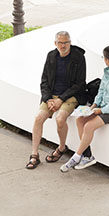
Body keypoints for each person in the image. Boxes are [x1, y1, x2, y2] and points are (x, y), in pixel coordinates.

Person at [60, 45, 109, 172]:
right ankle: (87, 156)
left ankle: (76, 156)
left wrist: (101, 110)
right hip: (103, 106)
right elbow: (101, 91)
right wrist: (94, 105)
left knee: (89, 126)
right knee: (80, 120)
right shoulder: (108, 72)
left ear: (106, 59)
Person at [26, 31, 87, 169]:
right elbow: (44, 81)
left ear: (70, 43)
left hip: (70, 95)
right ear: (55, 43)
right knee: (38, 118)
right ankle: (34, 155)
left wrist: (61, 99)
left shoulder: (78, 57)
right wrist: (48, 99)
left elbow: (80, 84)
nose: (63, 45)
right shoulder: (51, 56)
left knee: (60, 118)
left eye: (66, 42)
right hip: (52, 96)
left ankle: (61, 147)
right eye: (60, 42)